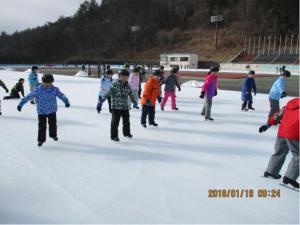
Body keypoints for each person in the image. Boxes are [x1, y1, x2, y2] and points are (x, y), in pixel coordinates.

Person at [17, 74, 70, 147]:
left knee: (53, 124)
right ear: (43, 82)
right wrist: (21, 104)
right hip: (41, 111)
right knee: (42, 126)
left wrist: (66, 101)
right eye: (47, 83)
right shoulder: (38, 89)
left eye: (50, 83)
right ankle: (41, 140)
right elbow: (29, 96)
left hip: (52, 110)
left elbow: (61, 95)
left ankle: (53, 135)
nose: (49, 85)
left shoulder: (54, 89)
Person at [259, 97, 299, 189]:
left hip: (282, 132)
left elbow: (277, 115)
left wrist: (267, 124)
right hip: (294, 134)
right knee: (298, 156)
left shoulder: (291, 104)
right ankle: (290, 178)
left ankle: (271, 172)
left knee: (279, 152)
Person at [98, 69, 137, 142]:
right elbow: (108, 93)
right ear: (121, 76)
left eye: (127, 77)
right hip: (116, 106)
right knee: (115, 122)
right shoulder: (114, 84)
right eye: (125, 77)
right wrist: (101, 101)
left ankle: (127, 133)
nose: (126, 78)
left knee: (126, 121)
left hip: (125, 106)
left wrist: (133, 101)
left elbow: (130, 93)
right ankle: (114, 136)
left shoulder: (127, 85)